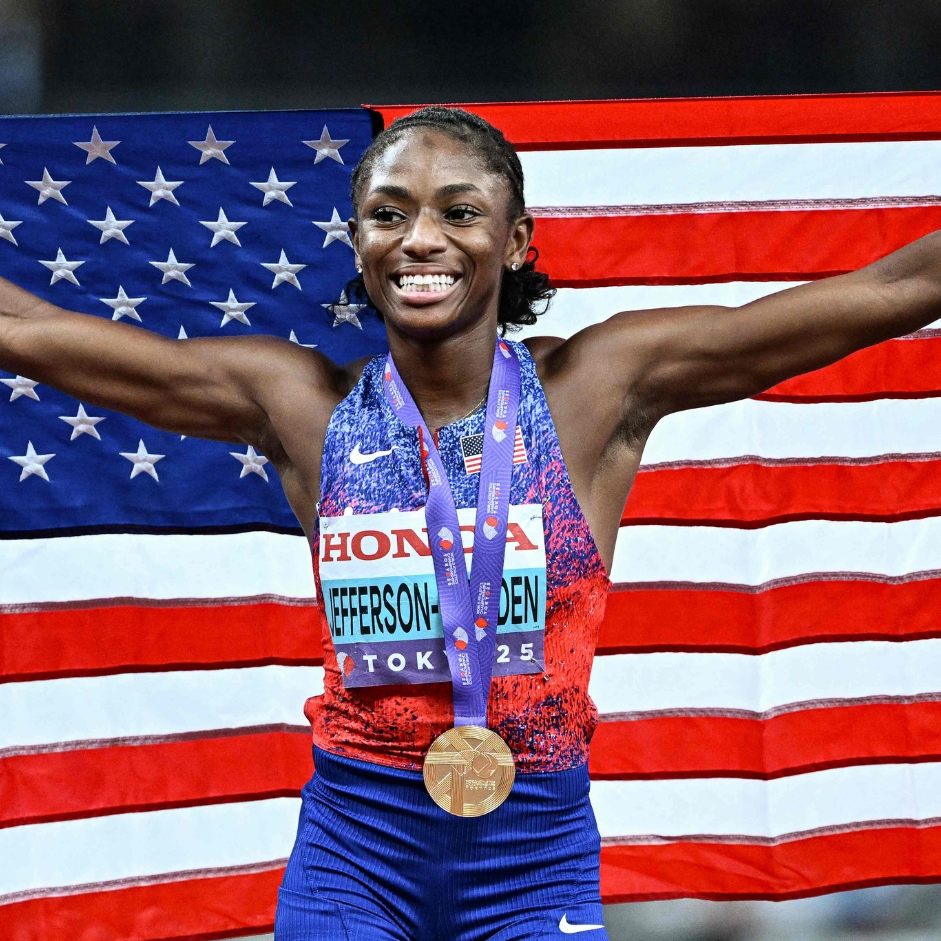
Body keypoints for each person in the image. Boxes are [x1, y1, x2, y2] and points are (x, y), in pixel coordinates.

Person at [1, 105, 939, 940]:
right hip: (353, 862)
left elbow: (892, 292)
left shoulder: (593, 391)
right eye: (388, 214)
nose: (421, 239)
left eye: (458, 212)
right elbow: (30, 331)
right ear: (357, 242)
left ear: (516, 239)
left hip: (534, 867)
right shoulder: (300, 404)